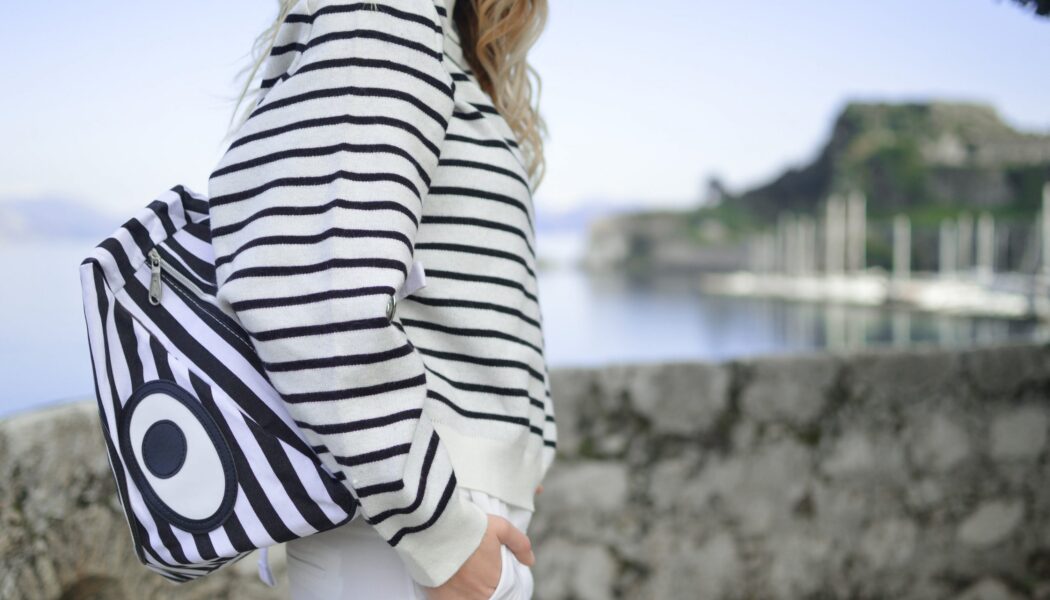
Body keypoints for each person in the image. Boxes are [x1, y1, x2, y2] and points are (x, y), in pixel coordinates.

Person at [207, 0, 555, 597]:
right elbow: (308, 285)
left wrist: (520, 444)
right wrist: (442, 536)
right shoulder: (385, 12)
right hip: (410, 526)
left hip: (430, 513)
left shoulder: (435, 34)